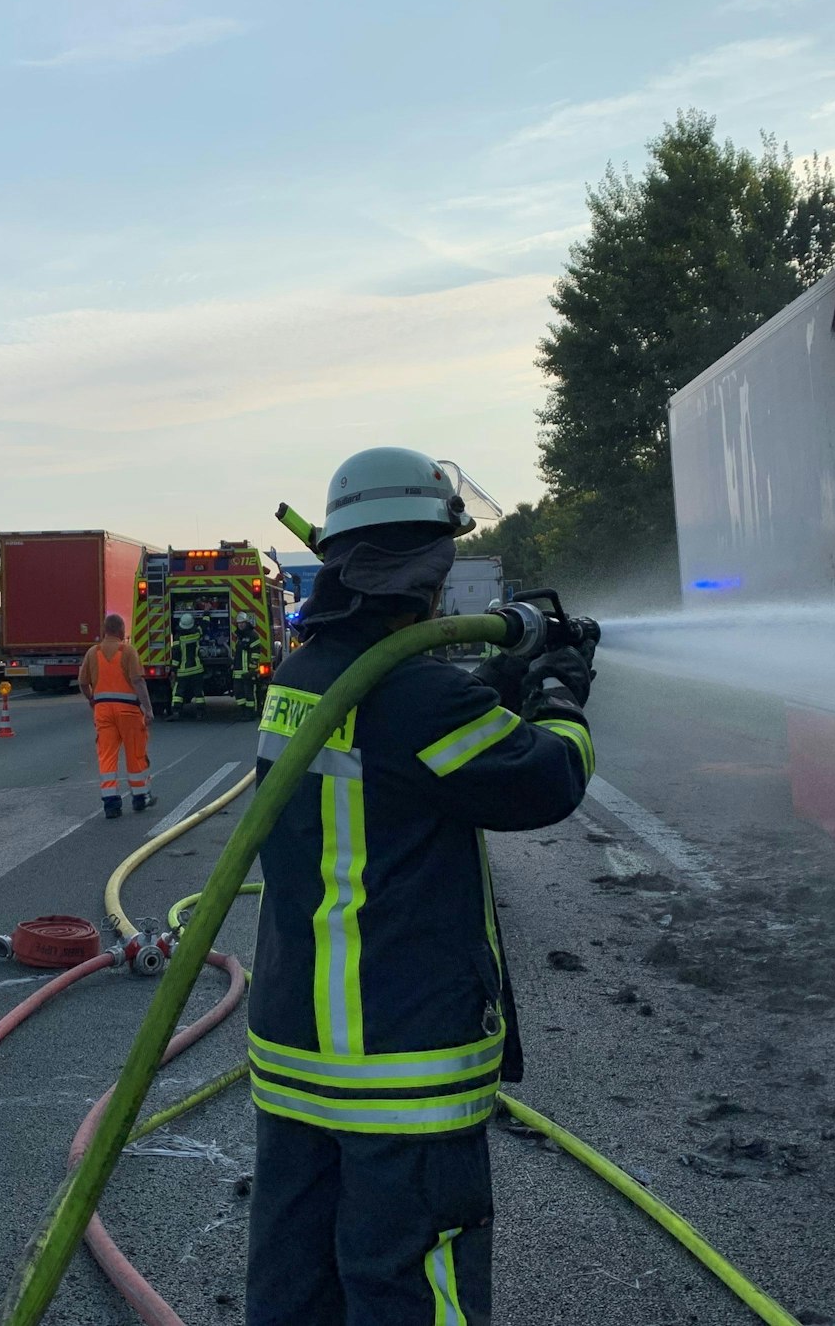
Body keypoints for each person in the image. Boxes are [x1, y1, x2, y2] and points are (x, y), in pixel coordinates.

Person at [245, 446, 596, 1326]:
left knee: (299, 1285)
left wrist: (495, 687)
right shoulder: (419, 699)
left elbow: (405, 760)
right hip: (400, 1062)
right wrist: (559, 698)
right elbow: (543, 781)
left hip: (298, 1054)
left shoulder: (305, 677)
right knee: (410, 1286)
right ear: (431, 567)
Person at [77, 613, 157, 820]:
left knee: (107, 756)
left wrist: (92, 699)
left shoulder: (92, 653)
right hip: (128, 711)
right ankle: (140, 797)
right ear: (121, 631)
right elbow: (138, 681)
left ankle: (111, 804)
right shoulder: (128, 651)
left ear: (105, 631)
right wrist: (148, 709)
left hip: (103, 711)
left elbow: (82, 682)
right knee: (135, 753)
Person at [171, 611, 206, 720]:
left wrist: (173, 669)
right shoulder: (196, 633)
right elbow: (204, 625)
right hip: (197, 669)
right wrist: (206, 613)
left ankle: (176, 712)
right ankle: (200, 713)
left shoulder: (177, 638)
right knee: (198, 692)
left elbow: (176, 655)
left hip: (183, 671)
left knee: (179, 692)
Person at [231, 611, 262, 718]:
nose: (241, 625)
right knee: (238, 693)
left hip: (248, 671)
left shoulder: (253, 636)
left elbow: (256, 653)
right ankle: (242, 711)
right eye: (239, 623)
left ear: (247, 623)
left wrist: (252, 669)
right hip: (238, 671)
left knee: (249, 693)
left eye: (243, 623)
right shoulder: (239, 636)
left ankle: (250, 712)